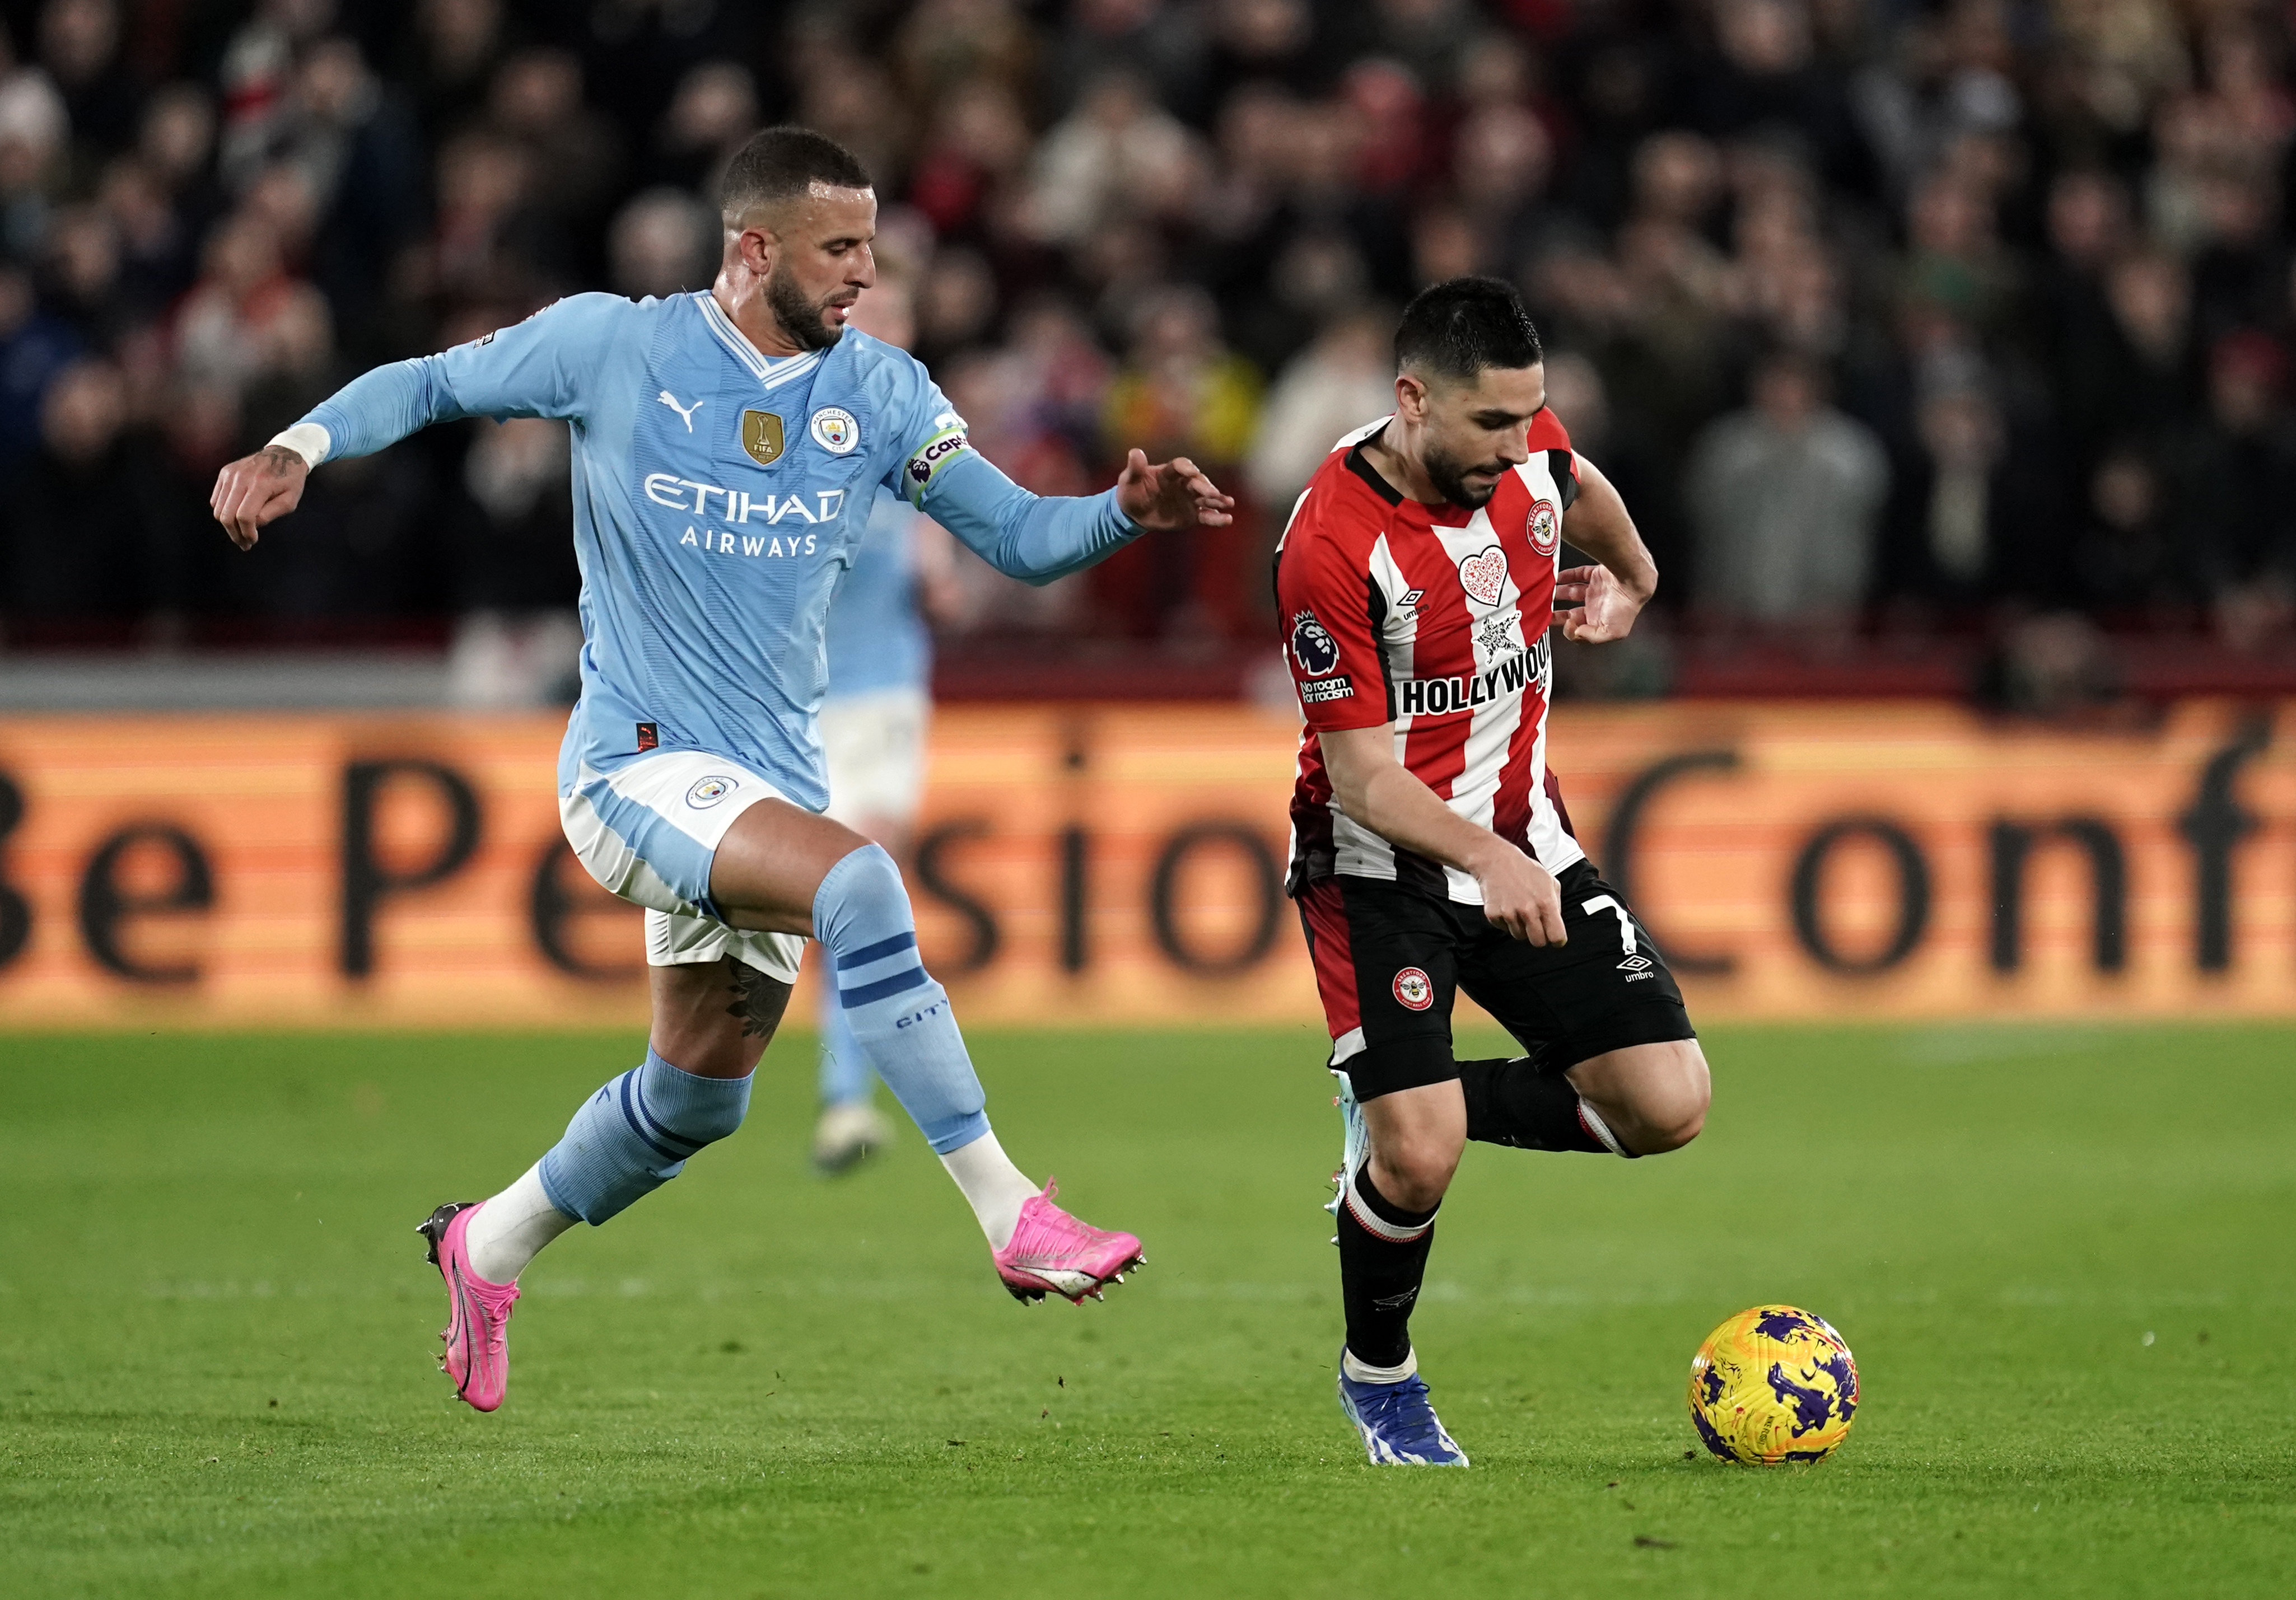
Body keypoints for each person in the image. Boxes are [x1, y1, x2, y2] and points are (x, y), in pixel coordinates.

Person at [208, 127, 1233, 1412]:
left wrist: (1119, 517)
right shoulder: (614, 345)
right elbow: (425, 384)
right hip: (633, 767)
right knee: (861, 883)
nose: (866, 271)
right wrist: (295, 448)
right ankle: (1012, 1212)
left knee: (695, 1102)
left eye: (871, 245)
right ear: (756, 251)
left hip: (764, 787)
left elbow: (1020, 539)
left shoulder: (884, 392)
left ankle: (489, 1244)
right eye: (841, 248)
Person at [1272, 278, 1711, 1467]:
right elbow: (1363, 779)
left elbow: (1580, 486)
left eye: (1530, 418)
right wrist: (1480, 854)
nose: (1517, 449)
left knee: (1666, 1106)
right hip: (1377, 865)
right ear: (1411, 401)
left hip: (1524, 833)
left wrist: (1634, 577)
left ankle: (1392, 1096)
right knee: (1420, 1159)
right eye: (1491, 426)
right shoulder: (1330, 541)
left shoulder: (1523, 451)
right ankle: (1382, 1377)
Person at [811, 274, 958, 1173]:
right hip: (794, 699)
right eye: (872, 315)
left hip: (883, 692)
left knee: (861, 884)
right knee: (821, 904)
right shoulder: (788, 426)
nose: (887, 332)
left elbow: (941, 574)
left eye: (900, 318)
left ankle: (844, 1100)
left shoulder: (922, 431)